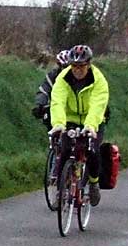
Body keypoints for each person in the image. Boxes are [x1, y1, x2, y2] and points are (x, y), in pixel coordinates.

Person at [48, 44, 109, 206]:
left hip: (93, 121)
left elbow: (98, 105)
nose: (77, 70)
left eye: (81, 66)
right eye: (74, 66)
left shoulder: (99, 80)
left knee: (92, 151)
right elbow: (57, 102)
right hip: (71, 119)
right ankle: (61, 192)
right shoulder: (62, 79)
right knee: (65, 150)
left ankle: (94, 183)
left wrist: (90, 126)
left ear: (88, 65)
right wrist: (59, 124)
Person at [33, 50, 70, 131]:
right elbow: (43, 91)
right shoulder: (52, 76)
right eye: (64, 67)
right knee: (48, 118)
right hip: (57, 108)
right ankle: (54, 142)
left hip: (76, 112)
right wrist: (40, 105)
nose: (67, 70)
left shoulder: (81, 78)